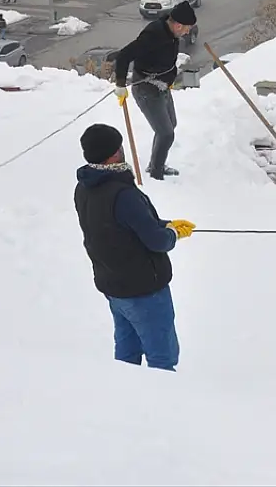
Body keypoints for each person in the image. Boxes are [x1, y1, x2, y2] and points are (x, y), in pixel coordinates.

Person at [74, 122, 195, 371]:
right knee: (162, 358)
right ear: (114, 154)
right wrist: (171, 234)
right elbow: (157, 241)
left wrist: (167, 223)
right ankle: (165, 405)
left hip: (114, 286)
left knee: (127, 356)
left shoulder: (84, 188)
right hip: (144, 291)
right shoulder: (123, 194)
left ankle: (126, 401)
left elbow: (121, 225)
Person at [113, 1, 196, 181]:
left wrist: (169, 78)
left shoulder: (171, 33)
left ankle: (155, 164)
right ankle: (156, 174)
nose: (188, 32)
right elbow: (124, 56)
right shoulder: (154, 35)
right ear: (178, 25)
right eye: (187, 28)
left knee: (170, 125)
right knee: (166, 133)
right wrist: (120, 84)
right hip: (146, 89)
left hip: (163, 86)